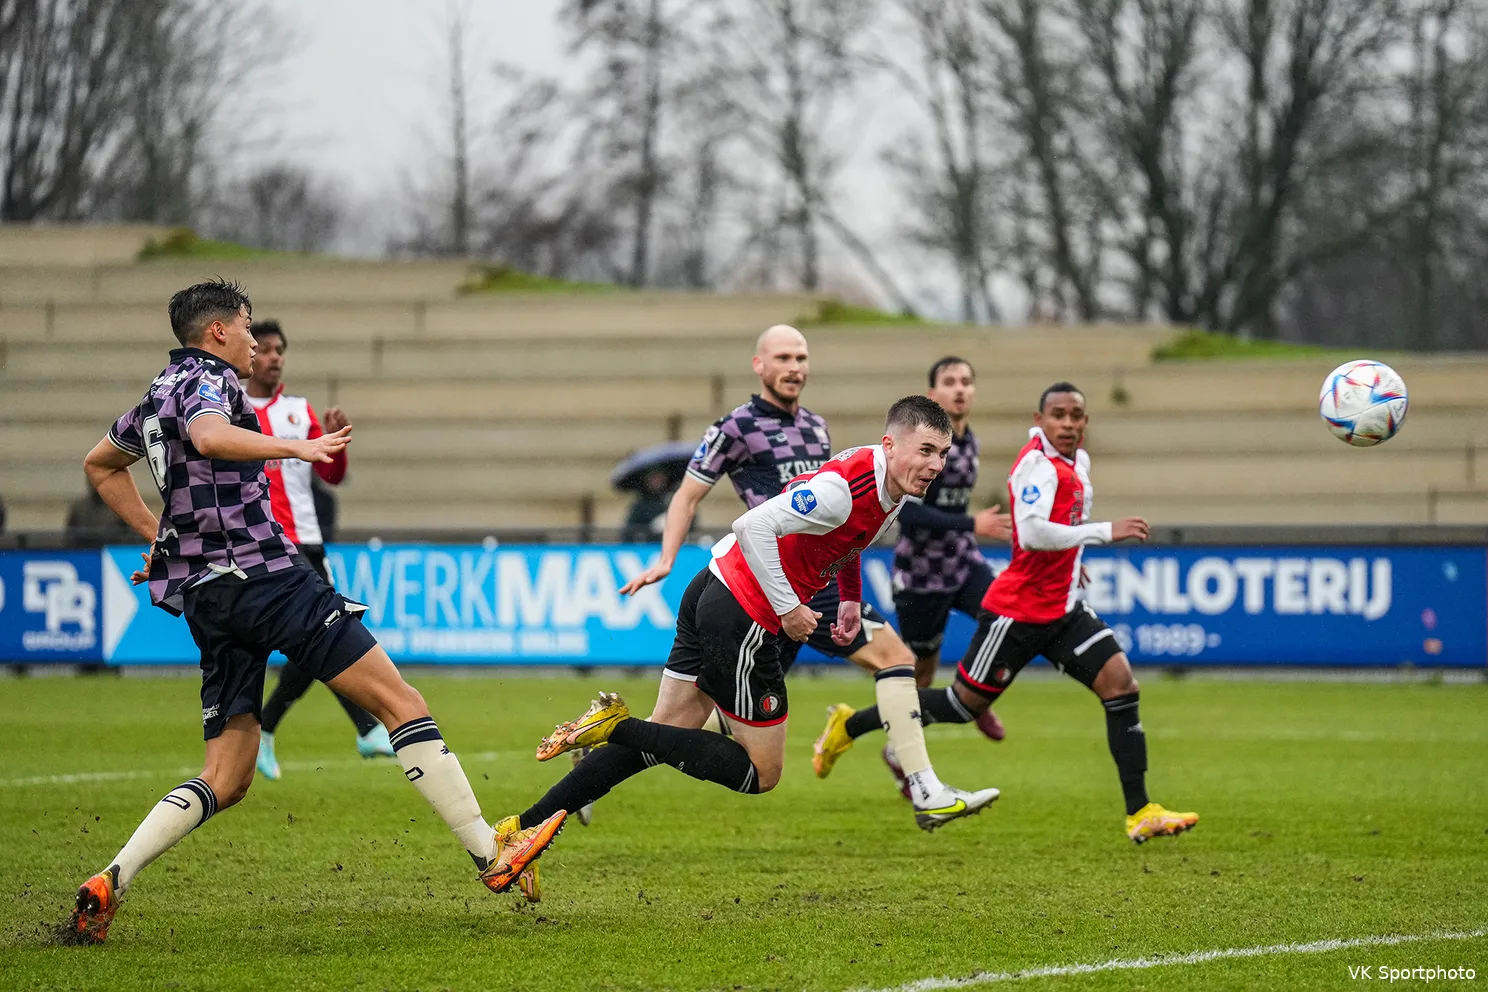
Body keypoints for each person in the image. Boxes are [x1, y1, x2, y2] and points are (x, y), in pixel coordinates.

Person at [64, 280, 562, 944]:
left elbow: (100, 465)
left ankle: (110, 881)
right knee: (401, 703)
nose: (252, 338)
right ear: (216, 333)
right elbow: (211, 438)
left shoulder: (155, 395)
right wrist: (292, 448)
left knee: (228, 773)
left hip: (208, 599)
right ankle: (492, 857)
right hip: (265, 576)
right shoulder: (210, 385)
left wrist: (159, 538)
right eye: (245, 328)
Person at [506, 396, 1000, 870]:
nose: (936, 465)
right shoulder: (843, 490)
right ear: (891, 445)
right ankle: (613, 725)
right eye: (926, 451)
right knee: (761, 772)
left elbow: (850, 541)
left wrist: (848, 596)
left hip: (715, 586)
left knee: (664, 736)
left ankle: (518, 831)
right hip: (744, 612)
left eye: (943, 454)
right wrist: (788, 609)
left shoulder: (892, 481)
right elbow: (751, 525)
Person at [813, 383, 1199, 843]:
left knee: (1122, 687)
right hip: (1017, 613)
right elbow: (1032, 532)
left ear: (1086, 422)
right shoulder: (1035, 466)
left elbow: (1060, 531)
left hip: (1063, 609)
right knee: (959, 706)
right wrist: (1103, 533)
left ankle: (1141, 811)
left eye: (1077, 416)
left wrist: (1072, 566)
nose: (1069, 424)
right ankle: (850, 724)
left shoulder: (1078, 462)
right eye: (1059, 415)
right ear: (1039, 421)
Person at [611, 326, 958, 826]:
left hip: (817, 577)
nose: (795, 367)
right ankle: (923, 786)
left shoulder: (817, 428)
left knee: (722, 719)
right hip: (767, 576)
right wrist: (666, 559)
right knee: (891, 659)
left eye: (802, 357)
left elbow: (851, 517)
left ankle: (617, 741)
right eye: (783, 357)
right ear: (759, 365)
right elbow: (688, 495)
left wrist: (849, 593)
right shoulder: (734, 427)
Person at [241, 319, 394, 780]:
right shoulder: (229, 412)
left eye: (279, 349)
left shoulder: (297, 410)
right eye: (265, 349)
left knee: (321, 637)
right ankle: (358, 729)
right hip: (261, 543)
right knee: (321, 636)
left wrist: (338, 442)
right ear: (250, 355)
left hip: (305, 542)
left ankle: (280, 731)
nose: (274, 357)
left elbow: (330, 475)